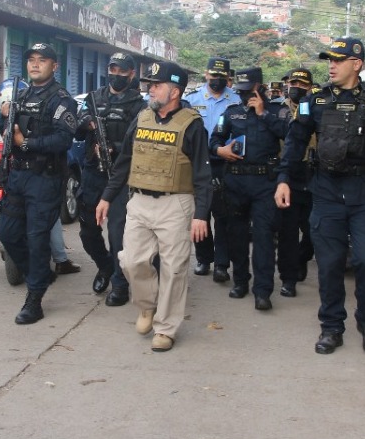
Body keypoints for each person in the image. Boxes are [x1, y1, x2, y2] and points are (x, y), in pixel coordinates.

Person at [275, 38, 365, 356]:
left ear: (357, 64)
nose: (331, 66)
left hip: (364, 193)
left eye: (338, 60)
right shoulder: (315, 102)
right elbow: (295, 143)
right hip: (326, 192)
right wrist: (283, 180)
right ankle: (332, 326)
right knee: (330, 264)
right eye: (329, 61)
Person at [96, 61, 212, 352]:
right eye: (150, 84)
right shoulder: (142, 117)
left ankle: (166, 327)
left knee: (174, 268)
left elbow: (203, 173)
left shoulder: (192, 124)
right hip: (139, 202)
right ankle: (147, 305)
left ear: (175, 91)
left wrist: (201, 215)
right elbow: (124, 160)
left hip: (176, 204)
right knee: (131, 260)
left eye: (157, 85)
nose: (150, 89)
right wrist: (107, 196)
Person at [0, 43, 78, 325]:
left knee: (37, 238)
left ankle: (34, 300)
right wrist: (4, 116)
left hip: (45, 178)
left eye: (41, 60)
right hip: (17, 175)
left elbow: (63, 140)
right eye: (31, 60)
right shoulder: (20, 95)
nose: (35, 65)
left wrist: (27, 143)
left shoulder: (62, 100)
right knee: (7, 234)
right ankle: (39, 273)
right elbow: (5, 131)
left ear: (54, 66)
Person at [210, 67, 290, 310]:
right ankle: (240, 281)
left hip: (265, 183)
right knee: (237, 235)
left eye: (249, 90)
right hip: (235, 182)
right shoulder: (231, 112)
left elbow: (290, 135)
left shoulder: (277, 111)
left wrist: (263, 113)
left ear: (259, 87)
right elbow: (215, 140)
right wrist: (219, 151)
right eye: (241, 91)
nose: (245, 96)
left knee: (264, 237)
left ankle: (263, 290)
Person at [75, 52, 145, 306]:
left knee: (118, 233)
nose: (116, 75)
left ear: (131, 74)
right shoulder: (94, 99)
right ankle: (105, 265)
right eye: (112, 69)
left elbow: (140, 141)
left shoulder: (139, 105)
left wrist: (113, 147)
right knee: (87, 231)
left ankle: (120, 283)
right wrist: (87, 125)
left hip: (121, 176)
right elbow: (76, 128)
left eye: (122, 71)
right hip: (93, 173)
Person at [184, 56, 238, 282]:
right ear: (206, 74)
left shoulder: (236, 100)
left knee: (223, 214)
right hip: (198, 163)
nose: (217, 80)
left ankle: (222, 264)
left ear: (228, 77)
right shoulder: (192, 100)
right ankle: (204, 258)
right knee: (200, 213)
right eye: (213, 76)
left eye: (221, 77)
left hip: (226, 164)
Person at [275, 68, 316, 297]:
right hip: (288, 174)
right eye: (294, 83)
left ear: (310, 88)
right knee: (287, 232)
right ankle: (288, 278)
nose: (298, 88)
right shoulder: (278, 110)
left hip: (313, 174)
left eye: (303, 85)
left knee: (312, 231)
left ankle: (303, 257)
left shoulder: (317, 109)